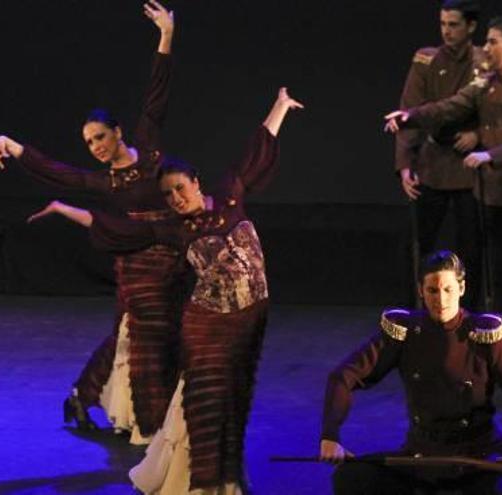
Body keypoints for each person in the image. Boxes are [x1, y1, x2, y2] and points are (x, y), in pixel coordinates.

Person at [29, 87, 302, 494]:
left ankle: (221, 480)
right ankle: (192, 483)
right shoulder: (172, 229)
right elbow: (116, 229)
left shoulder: (229, 197)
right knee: (206, 400)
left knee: (232, 403)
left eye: (180, 188)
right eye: (168, 194)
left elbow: (256, 151)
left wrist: (279, 107)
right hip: (207, 325)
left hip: (247, 322)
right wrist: (62, 209)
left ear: (196, 181)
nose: (176, 198)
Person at [0, 1, 181, 444]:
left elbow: (156, 98)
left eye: (100, 138)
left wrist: (166, 36)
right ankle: (147, 420)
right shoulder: (102, 181)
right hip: (135, 266)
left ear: (119, 133)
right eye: (88, 143)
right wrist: (12, 146)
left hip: (173, 260)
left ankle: (82, 395)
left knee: (136, 337)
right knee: (139, 337)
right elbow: (57, 172)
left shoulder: (147, 152)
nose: (95, 147)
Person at [385, 17, 502, 365]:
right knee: (501, 280)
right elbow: (448, 107)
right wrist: (409, 116)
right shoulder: (485, 85)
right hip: (494, 195)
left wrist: (489, 154)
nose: (488, 48)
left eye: (494, 42)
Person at [320, 250, 502, 494]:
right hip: (421, 458)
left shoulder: (484, 334)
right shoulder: (406, 332)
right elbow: (343, 377)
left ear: (461, 289)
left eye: (448, 290)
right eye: (432, 290)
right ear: (421, 290)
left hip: (478, 460)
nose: (440, 300)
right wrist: (330, 436)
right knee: (352, 479)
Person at [395, 0, 486, 310]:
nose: (447, 31)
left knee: (471, 249)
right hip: (431, 164)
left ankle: (468, 314)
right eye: (443, 24)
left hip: (469, 167)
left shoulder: (483, 61)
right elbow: (410, 110)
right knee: (414, 245)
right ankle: (412, 314)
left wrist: (479, 135)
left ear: (471, 26)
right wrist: (405, 165)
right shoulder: (426, 59)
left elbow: (495, 112)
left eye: (454, 24)